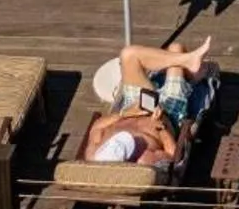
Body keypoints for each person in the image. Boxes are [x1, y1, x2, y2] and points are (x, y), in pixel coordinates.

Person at [81, 36, 213, 164]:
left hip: (135, 104)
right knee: (176, 48)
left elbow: (97, 125)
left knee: (128, 54)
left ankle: (188, 64)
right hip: (167, 114)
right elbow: (172, 154)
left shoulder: (94, 154)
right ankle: (188, 70)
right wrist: (161, 127)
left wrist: (127, 113)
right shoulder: (144, 159)